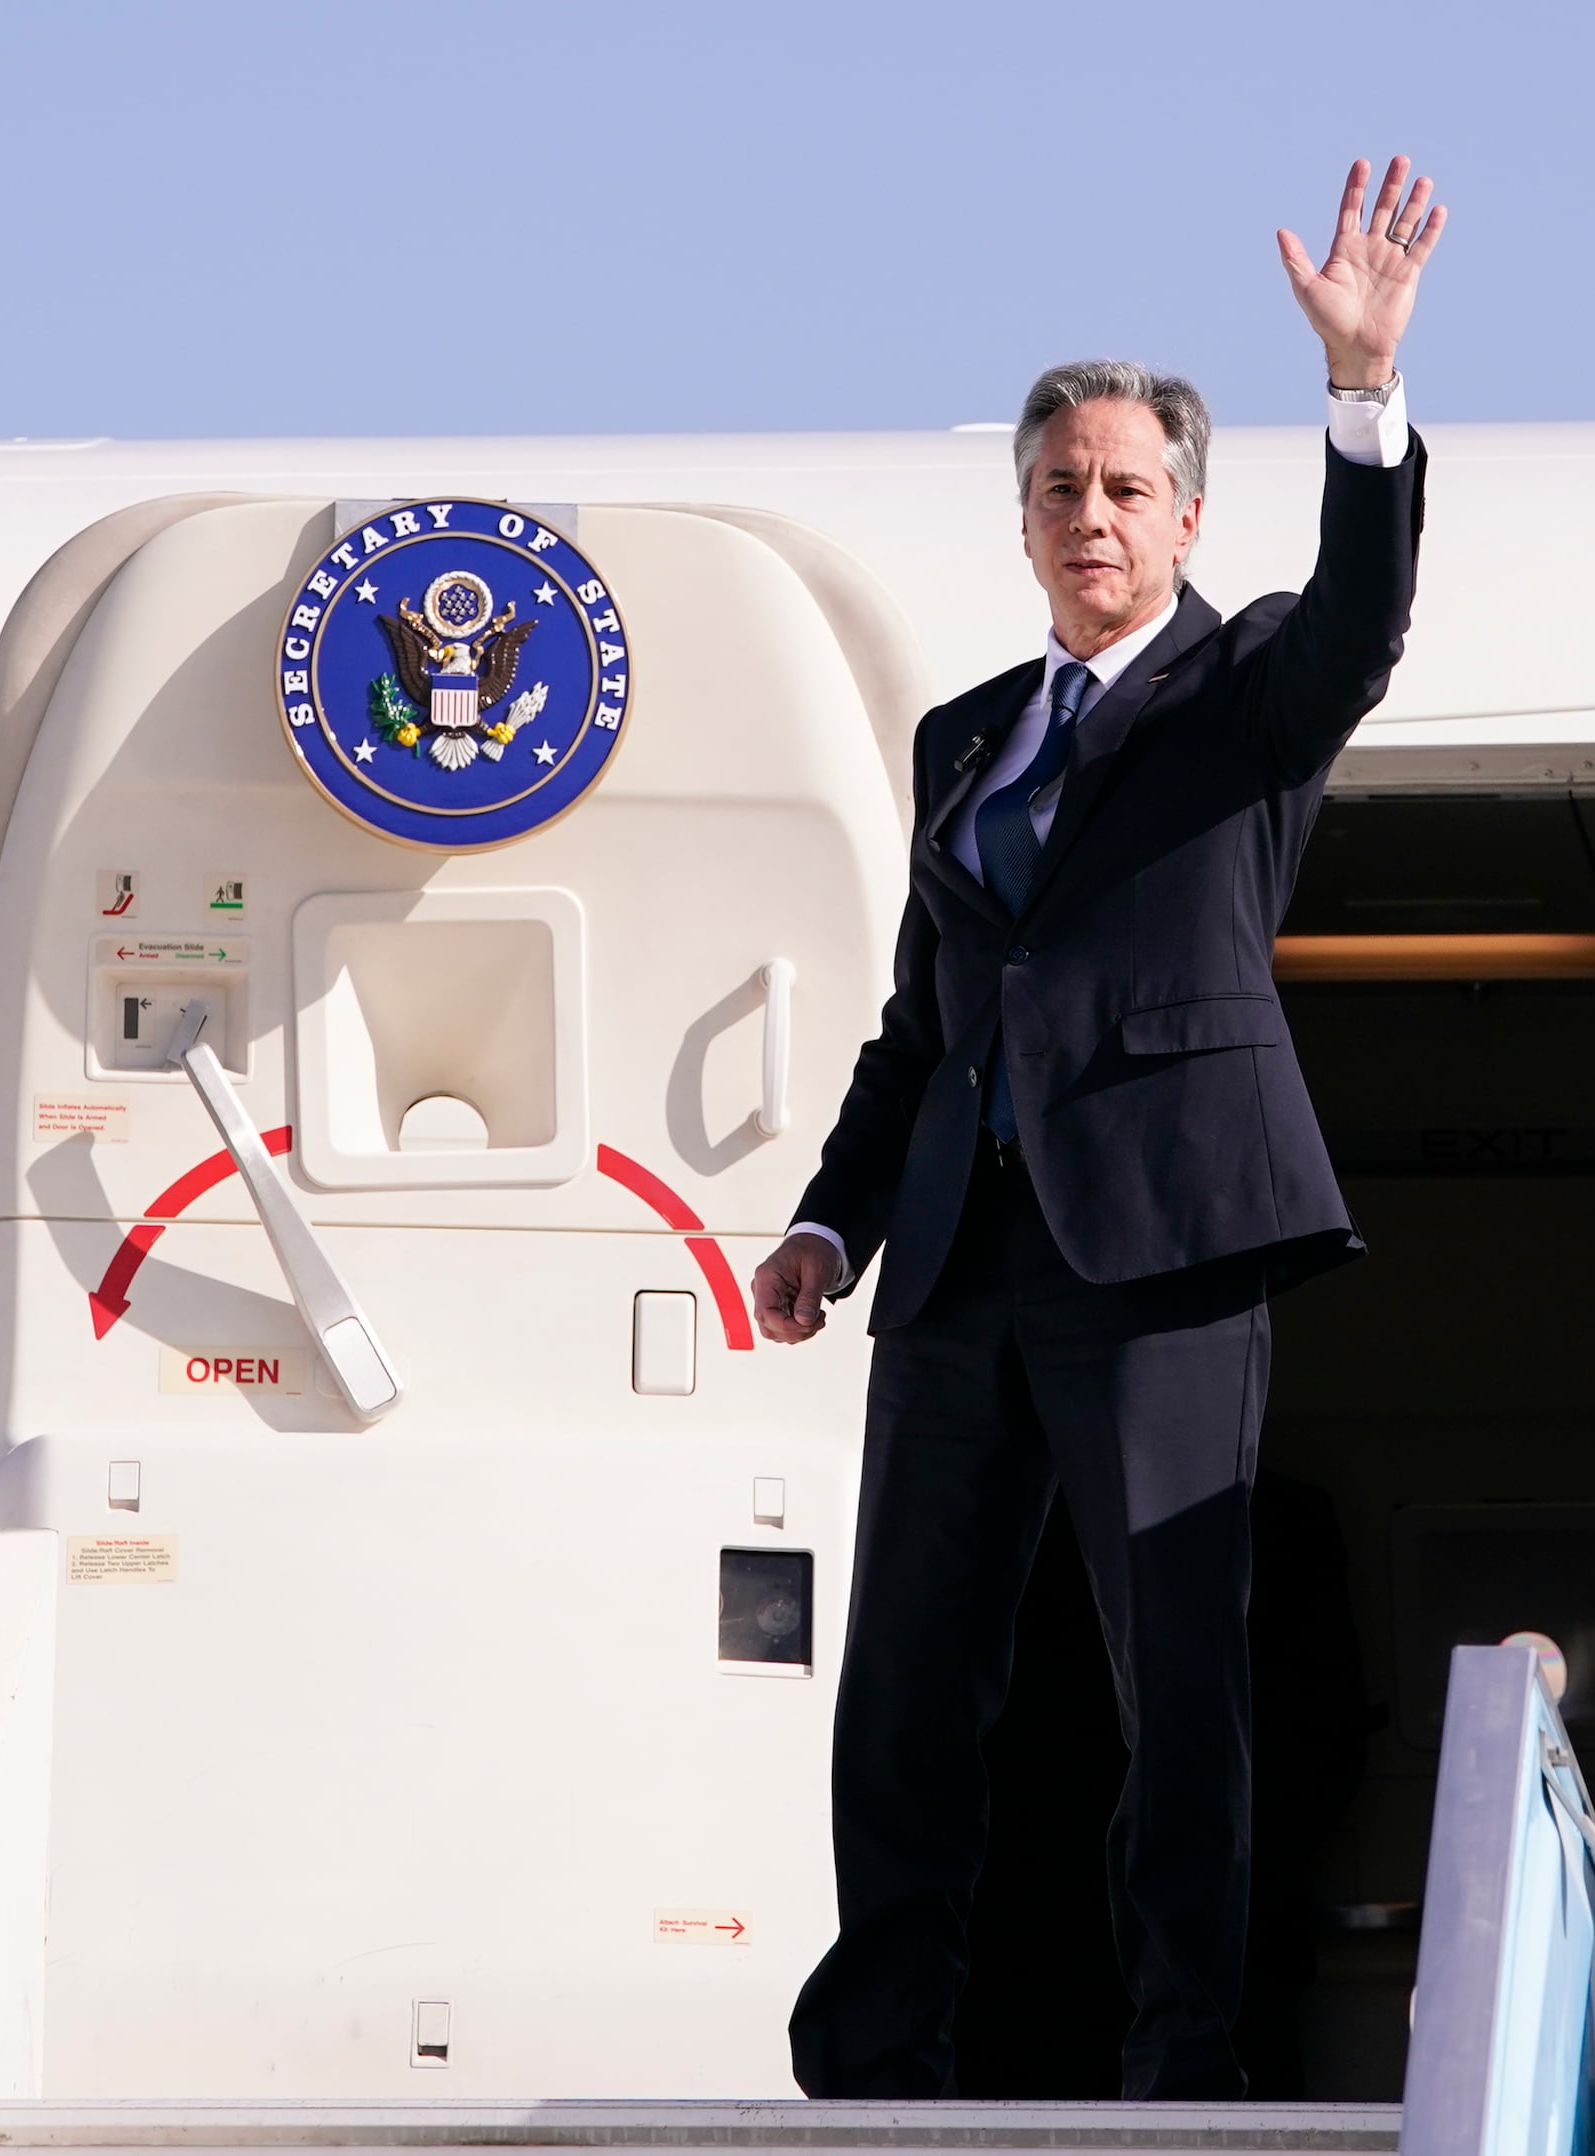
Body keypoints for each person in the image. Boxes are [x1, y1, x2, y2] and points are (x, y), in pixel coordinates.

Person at [751, 156, 1445, 2102]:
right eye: (1058, 486)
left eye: (1124, 486)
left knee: (1176, 1688)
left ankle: (1178, 2063)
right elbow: (920, 1021)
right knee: (903, 1688)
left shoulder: (1243, 689)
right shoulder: (961, 735)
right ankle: (878, 2055)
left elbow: (1362, 622)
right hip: (958, 1252)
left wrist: (1360, 393)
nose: (1087, 514)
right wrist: (829, 1224)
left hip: (1156, 1236)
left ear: (1183, 512)